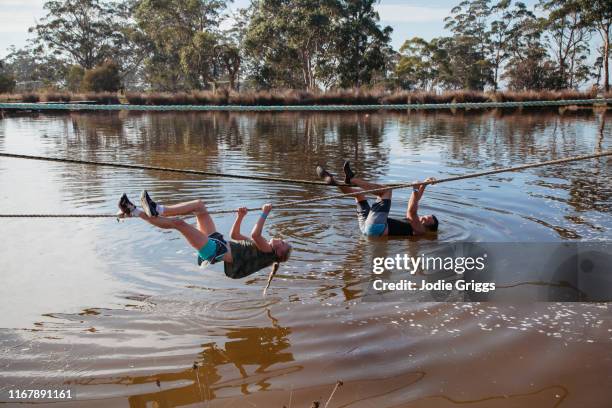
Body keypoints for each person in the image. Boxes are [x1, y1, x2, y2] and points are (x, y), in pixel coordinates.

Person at [116, 191, 292, 279]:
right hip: (218, 241)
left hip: (214, 250)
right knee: (199, 206)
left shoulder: (267, 251)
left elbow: (255, 234)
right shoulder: (260, 250)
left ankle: (137, 212)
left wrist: (265, 213)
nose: (281, 239)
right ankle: (150, 209)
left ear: (279, 252)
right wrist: (240, 217)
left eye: (283, 243)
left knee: (179, 224)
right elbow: (235, 235)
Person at [316, 161, 438, 237]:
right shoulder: (417, 225)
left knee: (386, 190)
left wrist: (416, 189)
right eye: (427, 216)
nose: (425, 218)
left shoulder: (421, 231)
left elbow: (411, 211)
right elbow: (416, 202)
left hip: (376, 228)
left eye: (428, 220)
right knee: (359, 195)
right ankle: (333, 181)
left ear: (430, 228)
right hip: (367, 227)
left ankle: (352, 180)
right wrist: (423, 185)